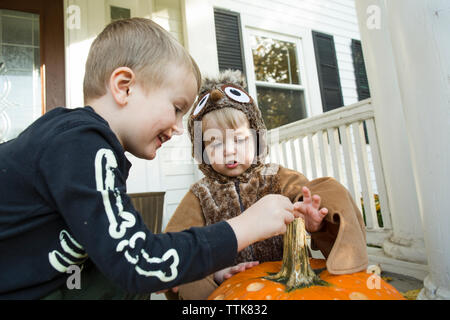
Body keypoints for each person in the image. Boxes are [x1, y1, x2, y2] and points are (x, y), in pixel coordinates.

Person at [0, 18, 299, 300]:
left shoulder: (83, 145)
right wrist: (245, 227)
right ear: (124, 87)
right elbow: (137, 261)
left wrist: (188, 264)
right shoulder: (82, 143)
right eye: (177, 107)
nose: (180, 129)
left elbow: (120, 255)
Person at [164, 70, 369, 300]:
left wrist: (313, 221)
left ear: (257, 138)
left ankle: (348, 258)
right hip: (233, 292)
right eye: (215, 142)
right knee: (180, 254)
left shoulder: (277, 177)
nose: (229, 150)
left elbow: (306, 200)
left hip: (290, 283)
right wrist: (217, 273)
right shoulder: (201, 195)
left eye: (239, 139)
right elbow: (179, 245)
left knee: (328, 189)